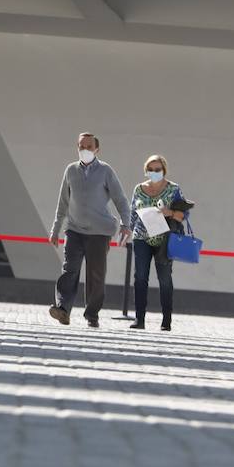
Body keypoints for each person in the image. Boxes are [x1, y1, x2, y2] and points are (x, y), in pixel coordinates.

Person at [48, 132, 131, 328]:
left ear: (97, 149)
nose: (84, 150)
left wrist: (126, 225)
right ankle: (63, 309)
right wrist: (56, 228)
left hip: (99, 233)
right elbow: (63, 202)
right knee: (69, 269)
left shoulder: (105, 171)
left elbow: (120, 199)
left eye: (88, 146)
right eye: (81, 146)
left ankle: (92, 315)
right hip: (74, 230)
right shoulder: (70, 170)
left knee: (96, 275)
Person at [129, 154, 184, 332]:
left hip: (165, 239)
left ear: (164, 170)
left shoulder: (174, 189)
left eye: (157, 170)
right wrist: (129, 231)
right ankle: (139, 319)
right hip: (142, 238)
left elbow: (183, 215)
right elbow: (132, 213)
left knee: (165, 278)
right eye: (150, 169)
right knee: (140, 277)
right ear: (146, 171)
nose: (154, 172)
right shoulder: (138, 188)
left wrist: (169, 212)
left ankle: (166, 320)